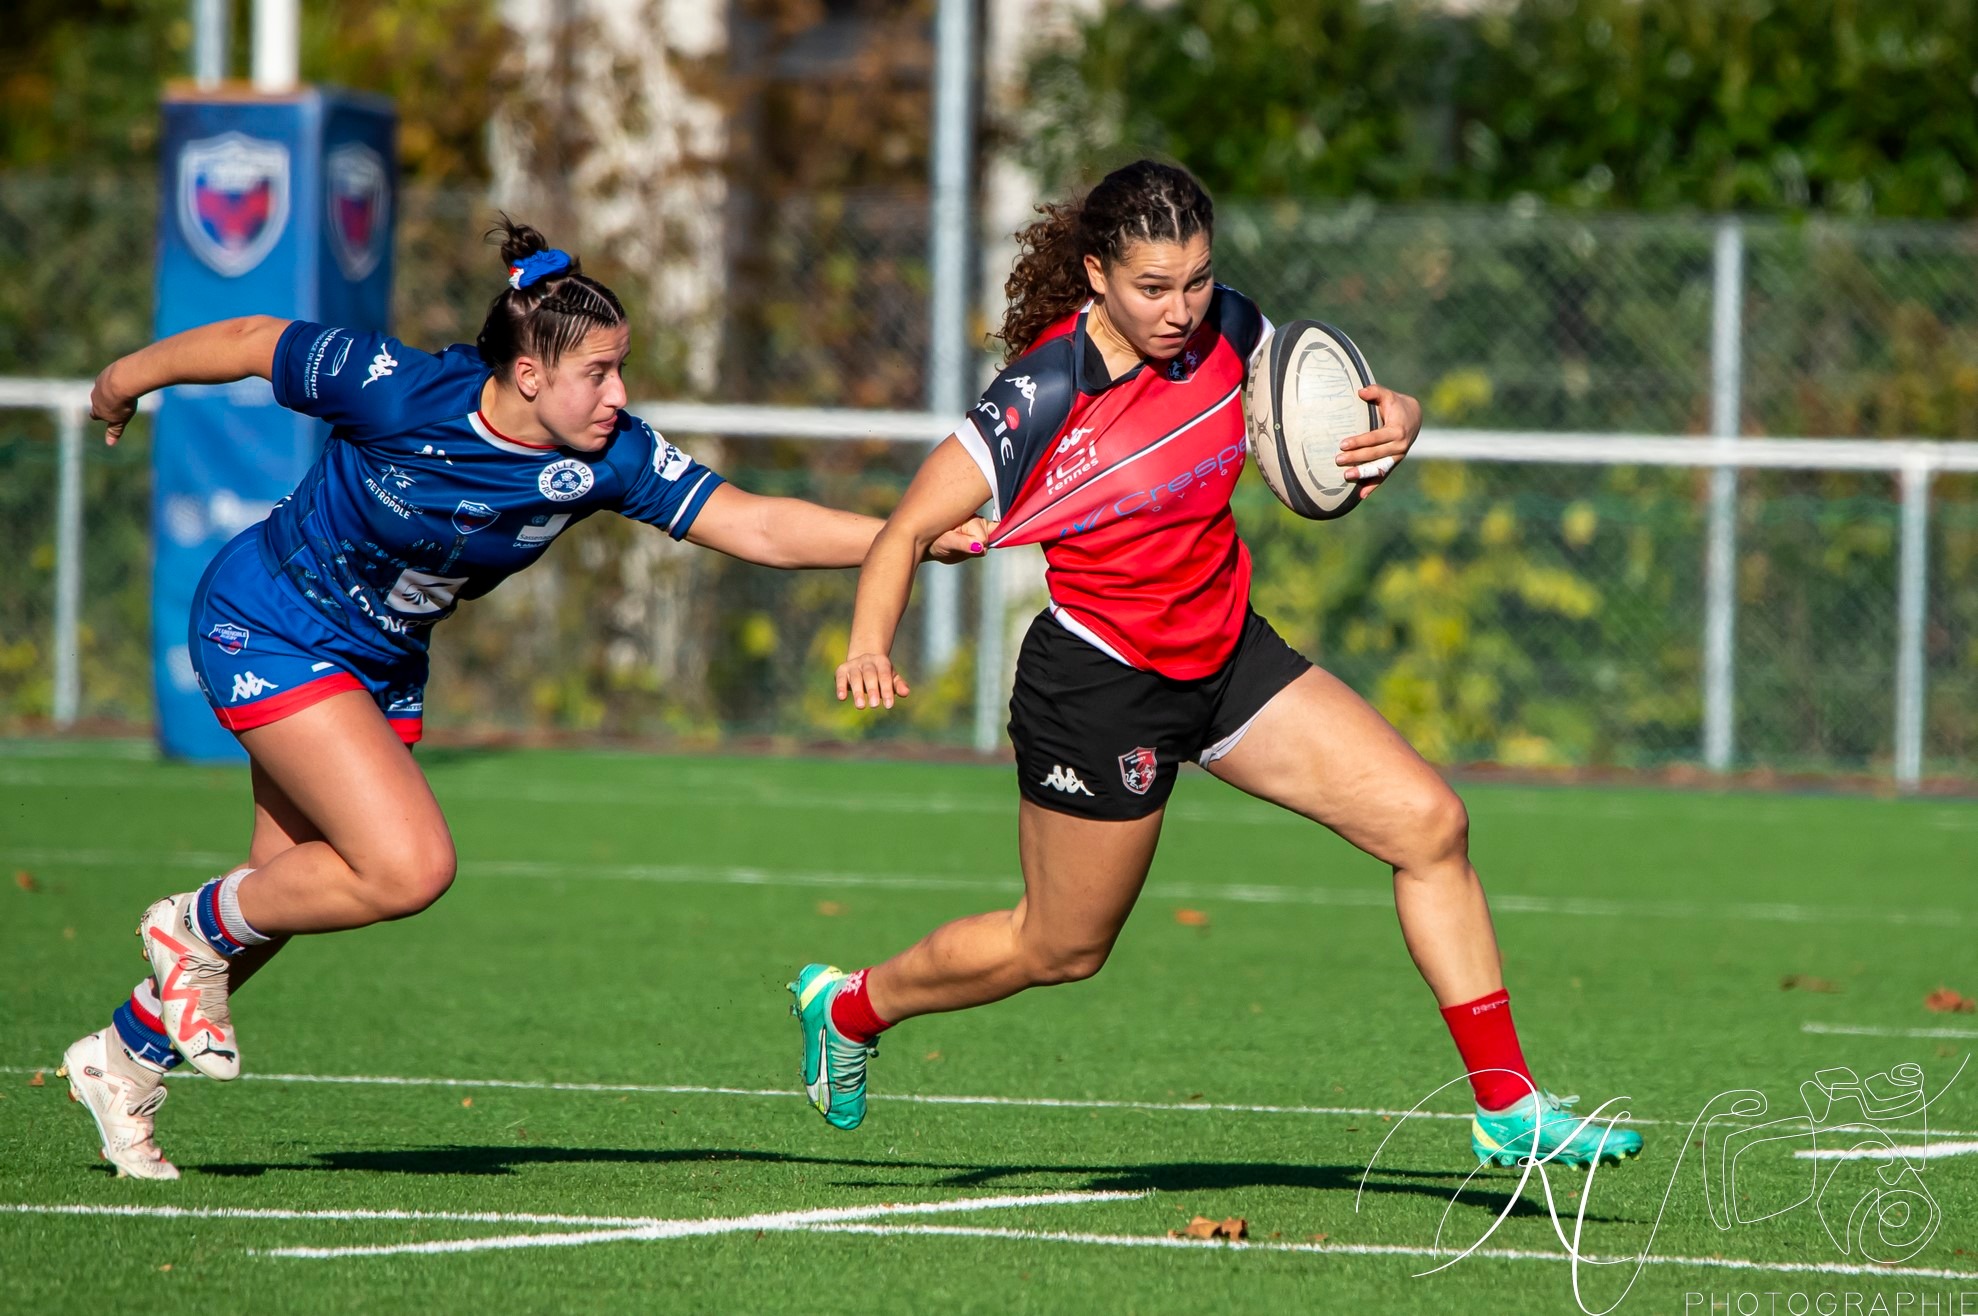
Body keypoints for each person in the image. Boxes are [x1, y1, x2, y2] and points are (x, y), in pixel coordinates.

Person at [57, 219, 988, 1180]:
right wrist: (128, 375)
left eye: (622, 369)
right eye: (600, 372)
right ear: (530, 376)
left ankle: (120, 1058)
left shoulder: (610, 455)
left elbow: (755, 523)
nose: (619, 394)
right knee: (405, 868)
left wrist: (905, 534)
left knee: (291, 892)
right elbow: (252, 340)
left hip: (376, 664)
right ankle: (190, 924)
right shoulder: (398, 387)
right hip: (269, 622)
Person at [788, 160, 1643, 1170]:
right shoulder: (1042, 391)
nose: (1181, 308)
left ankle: (1506, 1104)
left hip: (1226, 652)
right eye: (1154, 286)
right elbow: (902, 532)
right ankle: (847, 1005)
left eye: (1196, 279)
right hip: (1100, 684)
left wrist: (1397, 420)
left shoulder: (1230, 327)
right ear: (1096, 273)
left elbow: (1318, 406)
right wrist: (869, 644)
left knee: (1429, 823)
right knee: (1059, 948)